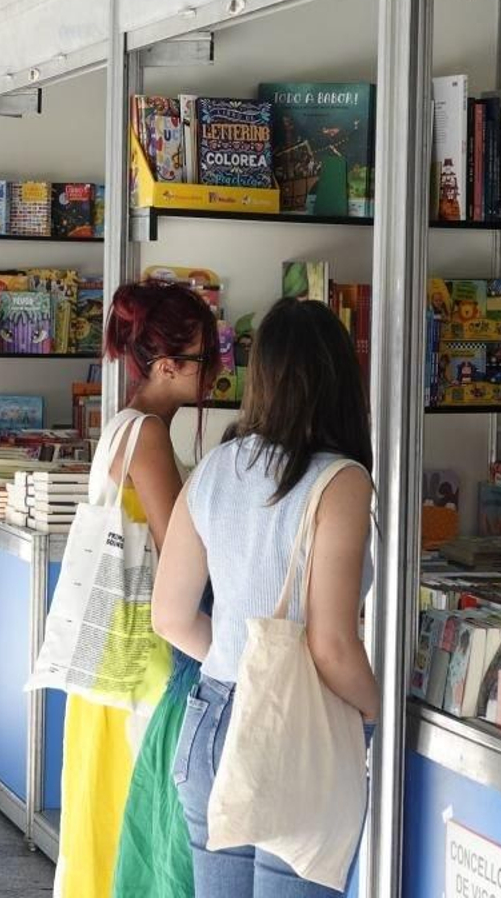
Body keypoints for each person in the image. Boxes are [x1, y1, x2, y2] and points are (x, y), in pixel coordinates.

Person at [152, 297, 379, 898]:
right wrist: (382, 711)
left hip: (210, 718)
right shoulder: (341, 481)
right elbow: (331, 645)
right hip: (295, 726)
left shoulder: (216, 466)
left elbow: (171, 616)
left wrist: (238, 656)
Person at [53, 280, 218, 898]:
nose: (215, 372)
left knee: (109, 800)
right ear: (167, 364)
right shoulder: (148, 434)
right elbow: (182, 544)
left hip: (118, 648)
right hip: (145, 651)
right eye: (206, 358)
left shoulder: (129, 425)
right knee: (140, 807)